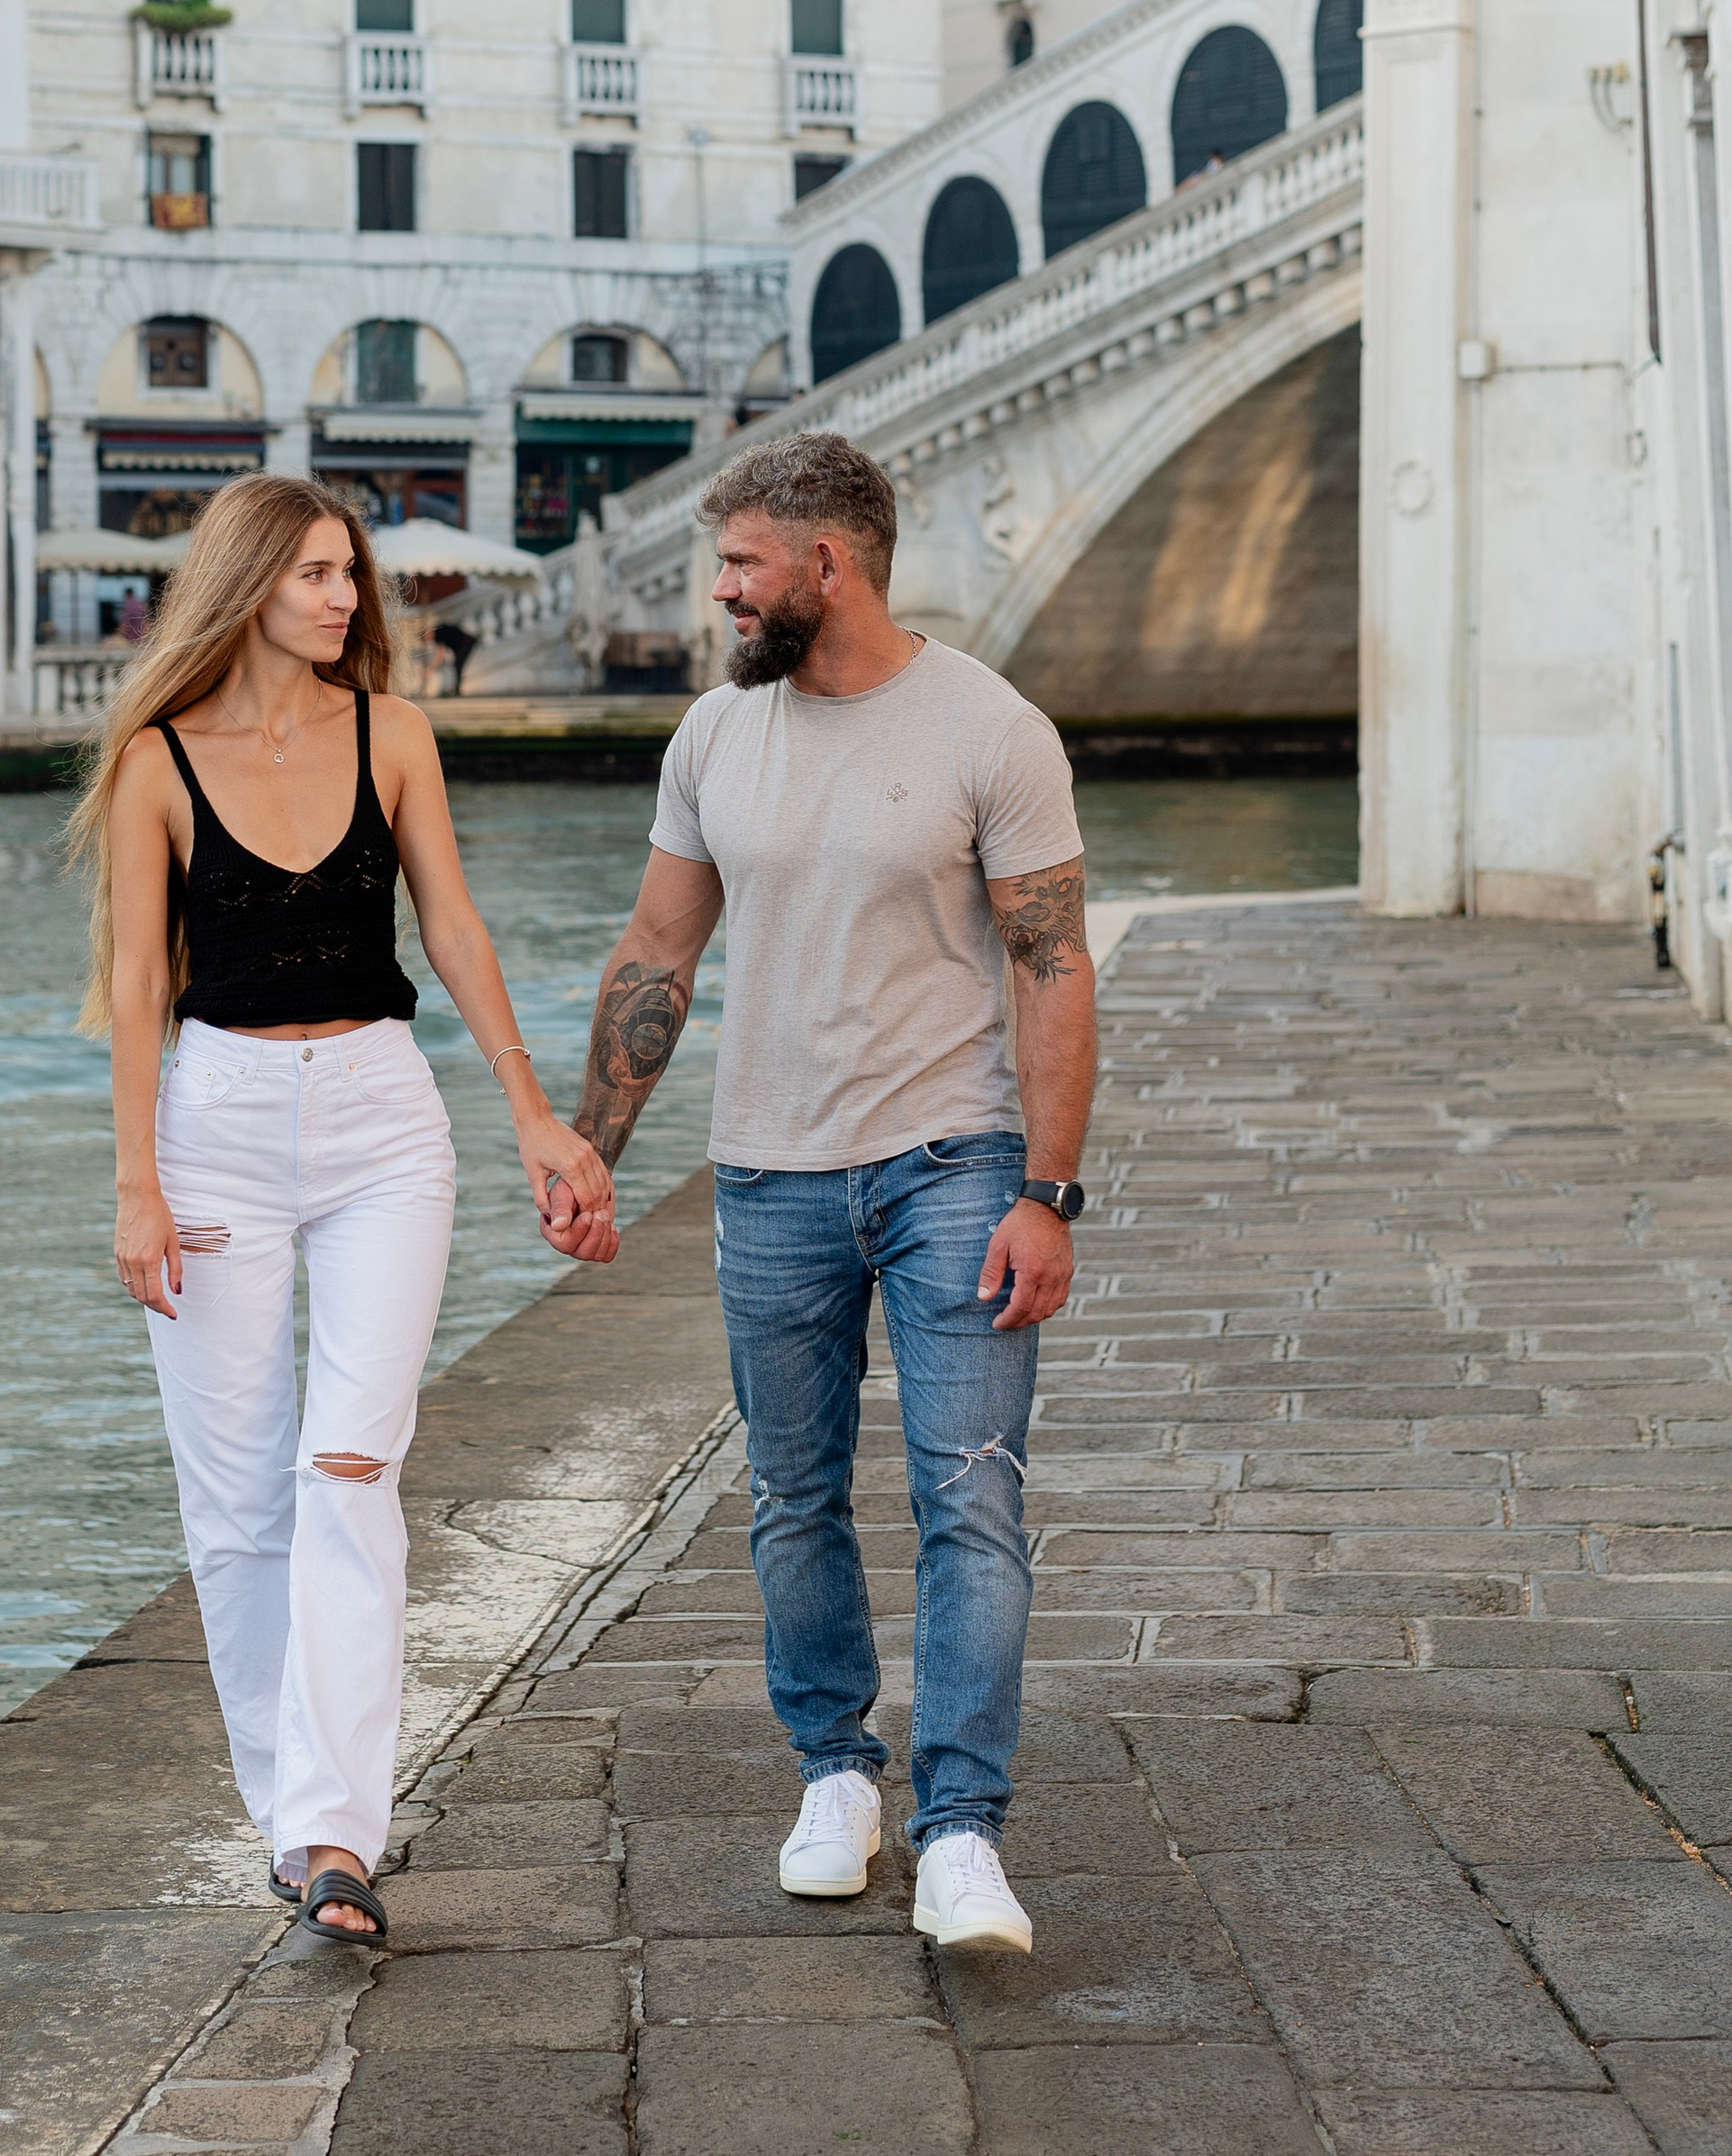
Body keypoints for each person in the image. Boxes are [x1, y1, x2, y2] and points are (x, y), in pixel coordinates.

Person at [68, 475, 616, 1946]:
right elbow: (133, 987)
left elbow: (450, 927)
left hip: (384, 1123)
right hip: (216, 1129)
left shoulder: (396, 739)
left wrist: (532, 1110)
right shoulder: (157, 767)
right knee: (236, 1508)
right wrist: (138, 1183)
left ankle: (337, 1837)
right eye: (317, 573)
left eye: (348, 574)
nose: (345, 598)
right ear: (247, 581)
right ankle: (290, 1817)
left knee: (348, 1470)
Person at [568, 432, 1095, 1954]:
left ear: (826, 563)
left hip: (955, 1165)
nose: (722, 592)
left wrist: (1048, 1192)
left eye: (740, 564)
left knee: (968, 1497)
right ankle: (836, 1779)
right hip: (769, 1176)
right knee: (791, 1497)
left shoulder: (991, 728)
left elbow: (1052, 968)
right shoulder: (715, 740)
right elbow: (657, 954)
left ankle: (962, 1834)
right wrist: (590, 1147)